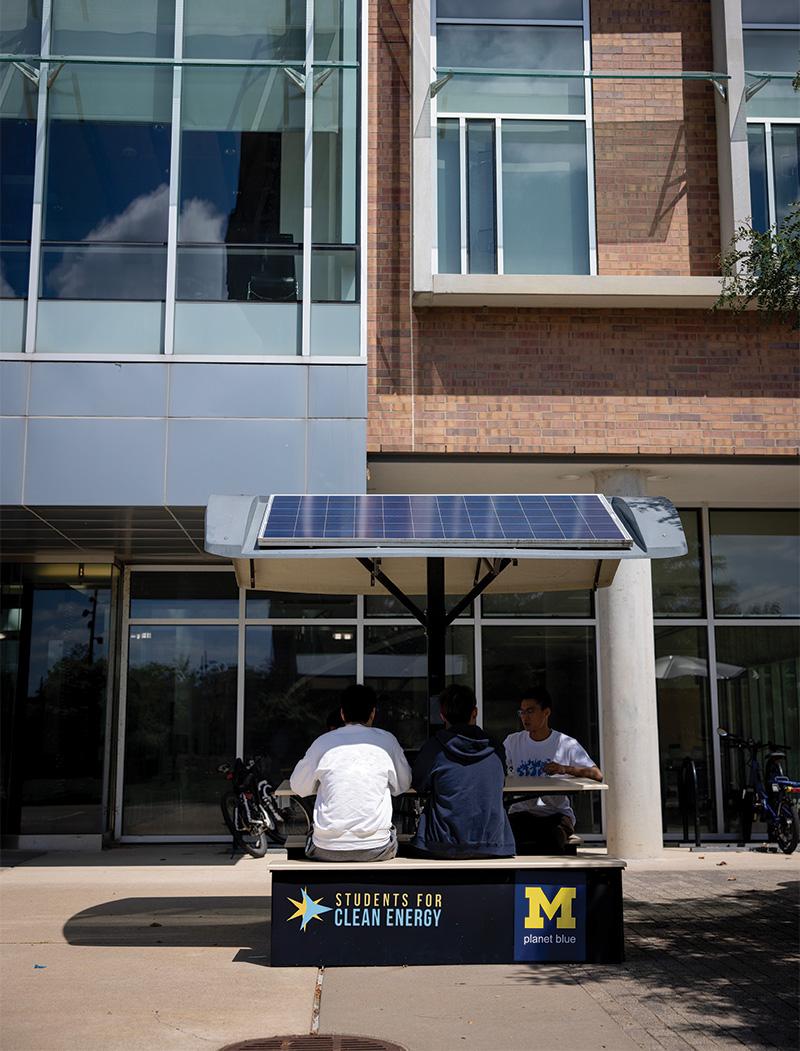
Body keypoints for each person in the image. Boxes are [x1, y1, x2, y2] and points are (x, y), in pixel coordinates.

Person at [290, 683, 412, 862]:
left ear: (342, 714)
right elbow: (403, 784)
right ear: (373, 713)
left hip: (326, 847)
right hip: (376, 847)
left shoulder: (322, 743)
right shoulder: (386, 741)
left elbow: (298, 786)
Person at [411, 684, 515, 858]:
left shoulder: (435, 748)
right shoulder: (495, 748)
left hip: (442, 844)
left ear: (442, 716)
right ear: (475, 712)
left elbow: (419, 784)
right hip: (493, 844)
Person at [503, 686, 602, 855]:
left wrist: (565, 769)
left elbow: (597, 774)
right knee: (507, 836)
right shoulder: (513, 742)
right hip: (521, 813)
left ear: (546, 712)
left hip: (556, 815)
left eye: (530, 711)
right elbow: (499, 766)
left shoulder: (566, 743)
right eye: (522, 712)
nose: (525, 717)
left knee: (552, 838)